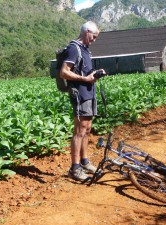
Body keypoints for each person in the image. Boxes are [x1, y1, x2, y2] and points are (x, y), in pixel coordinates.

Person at [60, 21, 105, 181]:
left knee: (87, 129)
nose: (94, 40)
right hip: (80, 94)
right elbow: (64, 72)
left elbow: (85, 72)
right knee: (80, 130)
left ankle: (85, 162)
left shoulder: (86, 50)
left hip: (89, 93)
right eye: (93, 37)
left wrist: (95, 74)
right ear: (86, 32)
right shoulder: (74, 48)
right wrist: (84, 78)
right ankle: (75, 168)